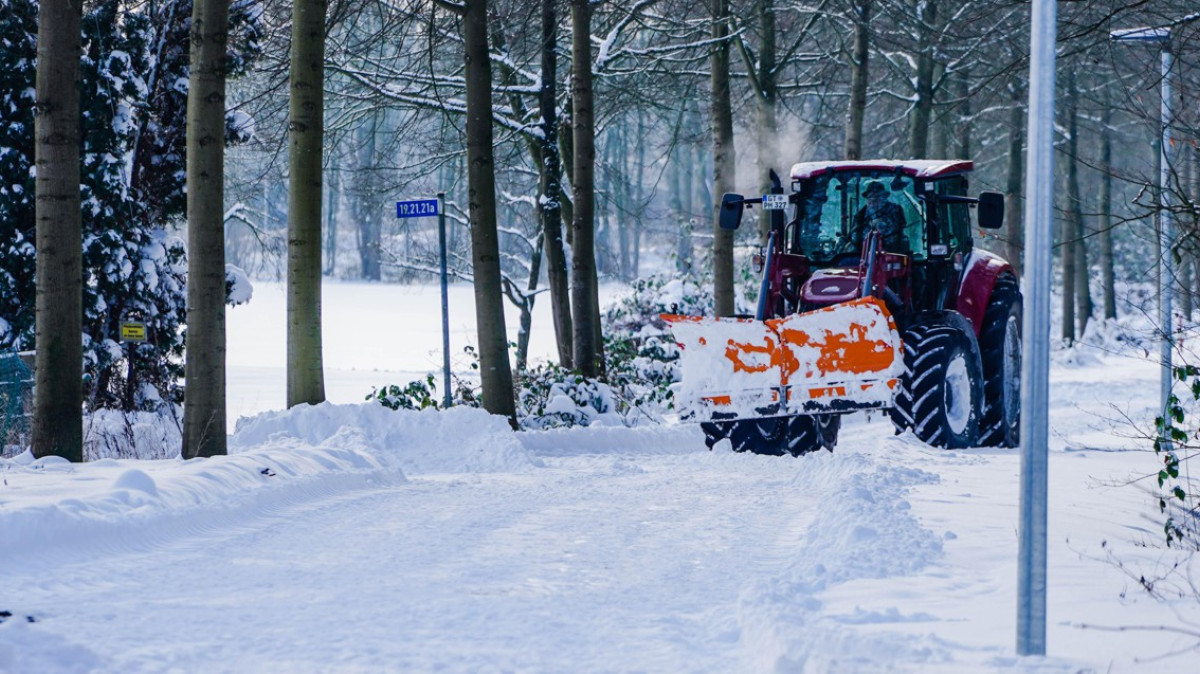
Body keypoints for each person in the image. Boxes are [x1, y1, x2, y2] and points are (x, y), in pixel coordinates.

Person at [854, 180, 906, 252]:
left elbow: (900, 228)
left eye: (877, 196)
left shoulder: (896, 210)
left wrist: (881, 225)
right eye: (870, 197)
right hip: (864, 252)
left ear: (884, 197)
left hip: (893, 252)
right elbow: (854, 236)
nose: (873, 200)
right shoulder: (860, 215)